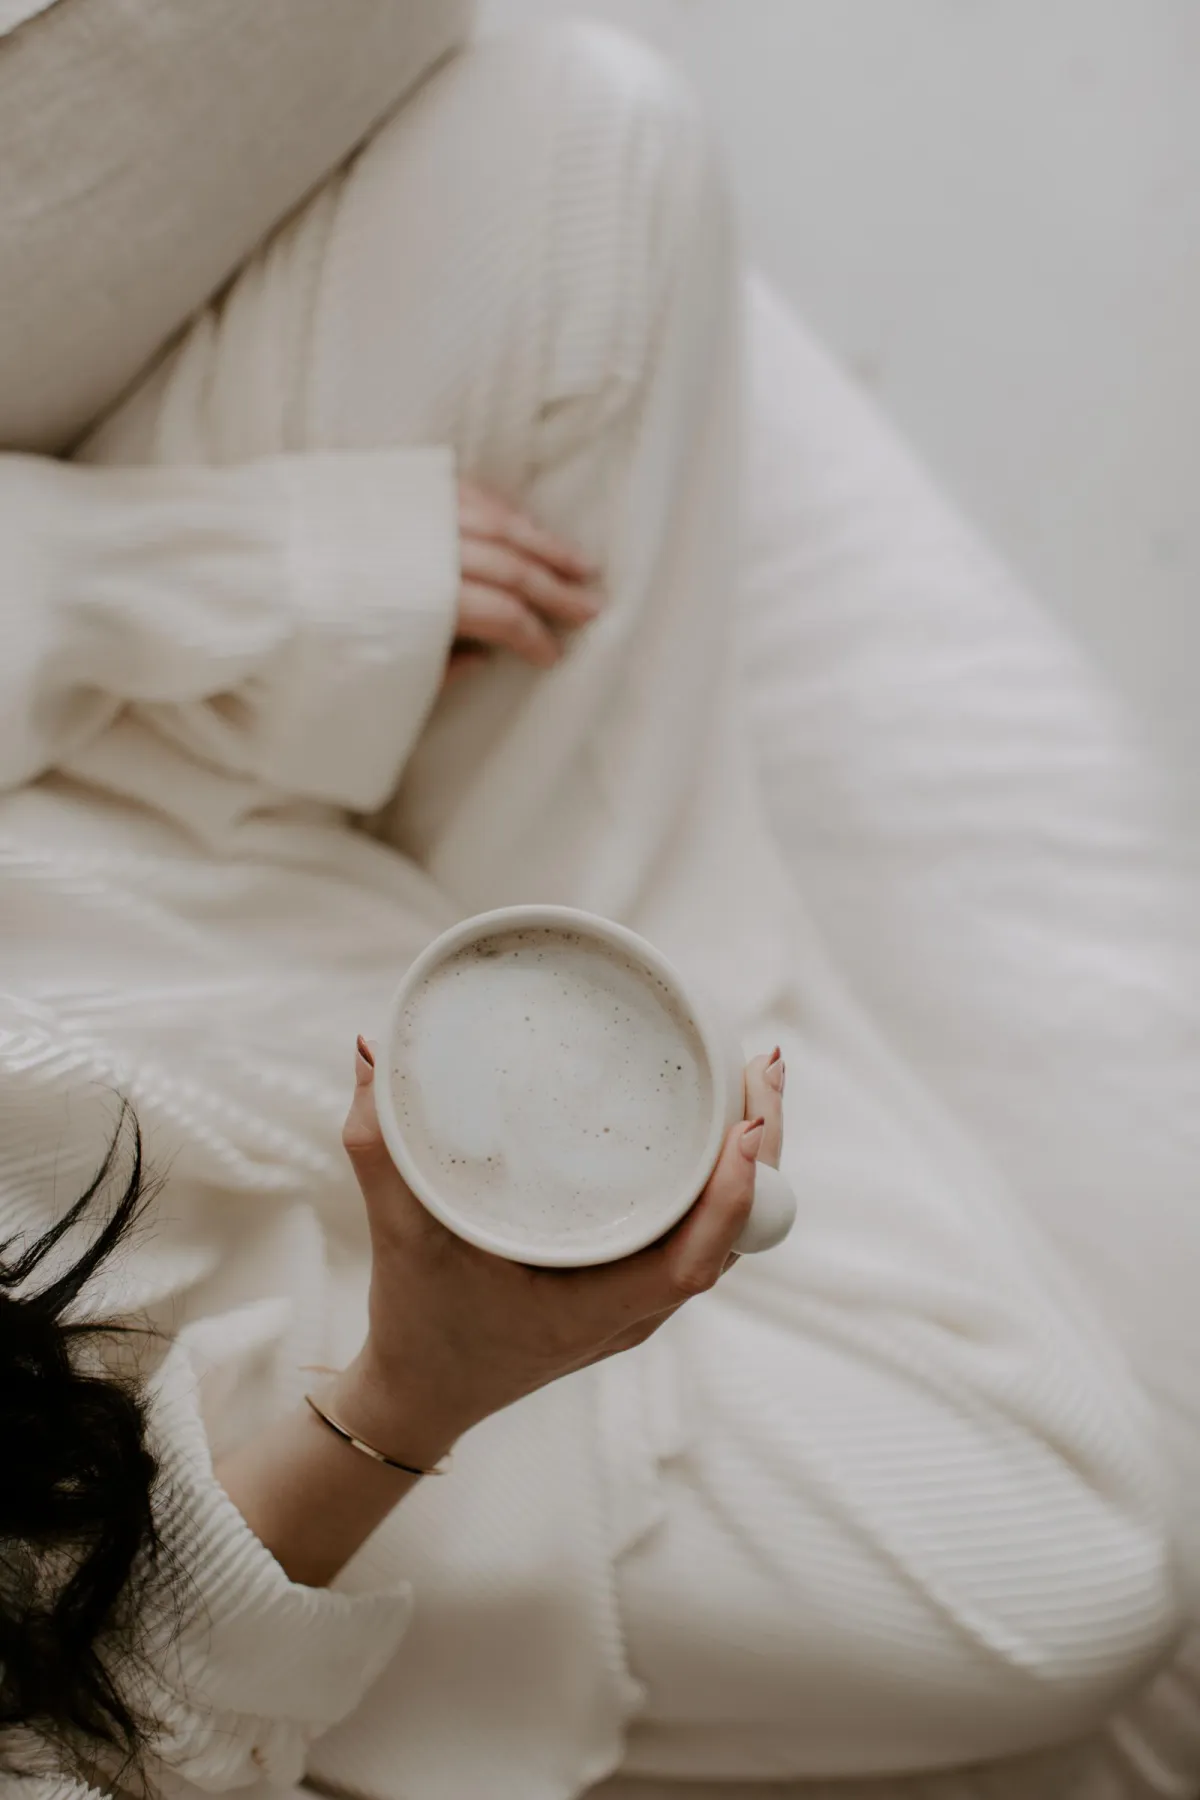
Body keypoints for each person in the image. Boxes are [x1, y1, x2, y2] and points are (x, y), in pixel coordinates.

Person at [0, 5, 1188, 1799]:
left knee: (586, 140)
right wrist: (412, 1396)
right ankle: (623, 1051)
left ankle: (598, 1017)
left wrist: (227, 578)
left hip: (123, 803)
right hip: (253, 1391)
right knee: (1077, 1579)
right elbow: (103, 1744)